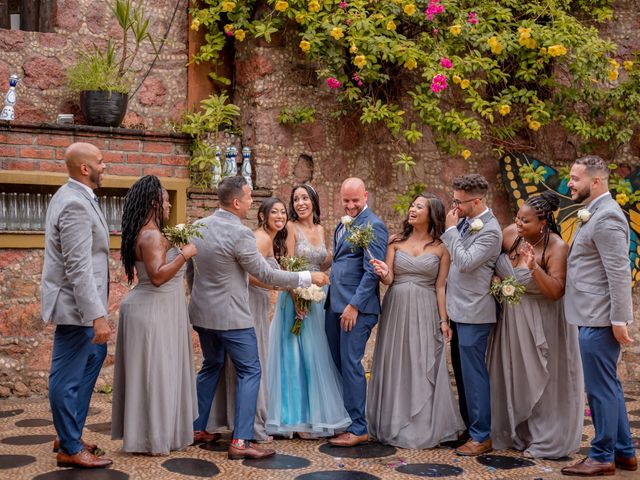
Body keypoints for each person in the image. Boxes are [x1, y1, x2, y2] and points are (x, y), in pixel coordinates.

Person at [187, 176, 328, 460]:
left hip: (202, 314)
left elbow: (192, 270)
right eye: (249, 198)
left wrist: (196, 296)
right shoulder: (241, 234)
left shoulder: (198, 226)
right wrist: (305, 277)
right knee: (251, 371)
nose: (252, 202)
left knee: (211, 365)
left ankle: (196, 427)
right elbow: (264, 274)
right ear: (237, 202)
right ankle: (241, 441)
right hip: (232, 317)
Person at [487, 191, 583, 459]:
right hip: (510, 321)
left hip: (544, 322)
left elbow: (556, 291)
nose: (518, 224)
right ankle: (514, 431)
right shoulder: (510, 235)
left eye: (525, 221)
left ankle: (545, 435)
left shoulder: (556, 247)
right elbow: (492, 265)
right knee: (513, 374)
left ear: (542, 222)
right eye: (518, 218)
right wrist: (496, 279)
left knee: (543, 379)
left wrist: (533, 268)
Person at [367, 193, 465, 449]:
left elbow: (441, 286)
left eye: (419, 207)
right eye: (412, 205)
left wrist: (444, 321)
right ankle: (393, 420)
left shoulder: (442, 248)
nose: (412, 209)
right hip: (397, 306)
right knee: (397, 360)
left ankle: (421, 424)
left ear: (431, 214)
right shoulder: (395, 242)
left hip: (425, 309)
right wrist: (382, 272)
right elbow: (388, 280)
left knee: (421, 361)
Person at [561, 155, 637, 476]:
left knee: (600, 389)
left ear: (596, 181)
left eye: (575, 178)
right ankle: (624, 452)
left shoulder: (606, 218)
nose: (569, 183)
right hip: (591, 315)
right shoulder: (594, 214)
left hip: (599, 319)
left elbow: (619, 273)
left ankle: (602, 455)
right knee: (609, 386)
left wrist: (619, 320)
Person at [111, 175, 197, 455]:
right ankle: (152, 438)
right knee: (154, 375)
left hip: (155, 309)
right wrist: (184, 254)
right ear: (153, 203)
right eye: (165, 201)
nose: (169, 206)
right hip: (152, 310)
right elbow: (158, 277)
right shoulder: (150, 235)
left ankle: (151, 433)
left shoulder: (149, 232)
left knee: (154, 374)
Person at [41, 142, 113, 469]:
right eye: (100, 161)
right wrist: (96, 314)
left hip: (81, 305)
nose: (105, 165)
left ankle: (68, 432)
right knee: (67, 375)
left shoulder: (75, 196)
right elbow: (78, 266)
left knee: (95, 355)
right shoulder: (74, 203)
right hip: (76, 307)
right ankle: (69, 446)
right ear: (85, 168)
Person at [266, 185, 351, 437]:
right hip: (297, 297)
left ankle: (316, 415)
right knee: (294, 355)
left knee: (316, 354)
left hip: (319, 298)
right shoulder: (291, 228)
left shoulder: (322, 229)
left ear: (314, 201)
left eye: (305, 198)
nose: (300, 203)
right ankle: (296, 417)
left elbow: (323, 261)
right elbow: (288, 266)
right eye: (296, 199)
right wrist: (297, 300)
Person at [207, 197, 288, 442]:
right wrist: (275, 284)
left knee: (249, 363)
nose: (280, 216)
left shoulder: (270, 239)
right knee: (253, 364)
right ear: (262, 216)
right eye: (274, 212)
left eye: (283, 212)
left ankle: (240, 420)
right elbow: (247, 273)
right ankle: (250, 425)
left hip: (258, 302)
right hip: (250, 303)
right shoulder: (260, 239)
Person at [441, 173, 502, 456]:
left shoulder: (490, 230)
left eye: (459, 202)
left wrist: (451, 230)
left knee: (474, 375)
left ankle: (482, 436)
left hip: (476, 312)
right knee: (463, 375)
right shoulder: (466, 222)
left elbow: (465, 263)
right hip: (458, 310)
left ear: (477, 201)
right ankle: (469, 428)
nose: (454, 207)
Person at [325, 177, 388, 447]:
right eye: (346, 200)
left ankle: (359, 427)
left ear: (366, 196)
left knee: (351, 363)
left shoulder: (374, 225)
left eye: (355, 200)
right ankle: (346, 419)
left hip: (356, 308)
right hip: (335, 304)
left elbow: (372, 271)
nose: (350, 206)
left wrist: (354, 306)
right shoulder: (343, 223)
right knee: (338, 363)